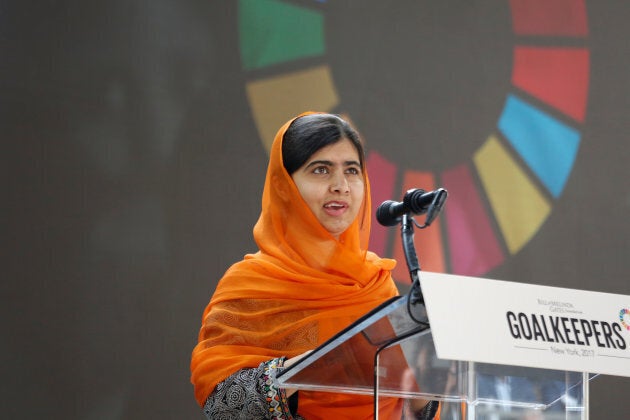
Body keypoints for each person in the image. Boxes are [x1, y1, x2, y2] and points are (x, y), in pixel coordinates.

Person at [190, 112, 440, 419]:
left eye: (352, 170)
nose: (341, 186)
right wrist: (318, 364)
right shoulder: (249, 285)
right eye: (321, 170)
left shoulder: (375, 283)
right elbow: (222, 406)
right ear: (284, 186)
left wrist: (421, 383)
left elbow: (411, 406)